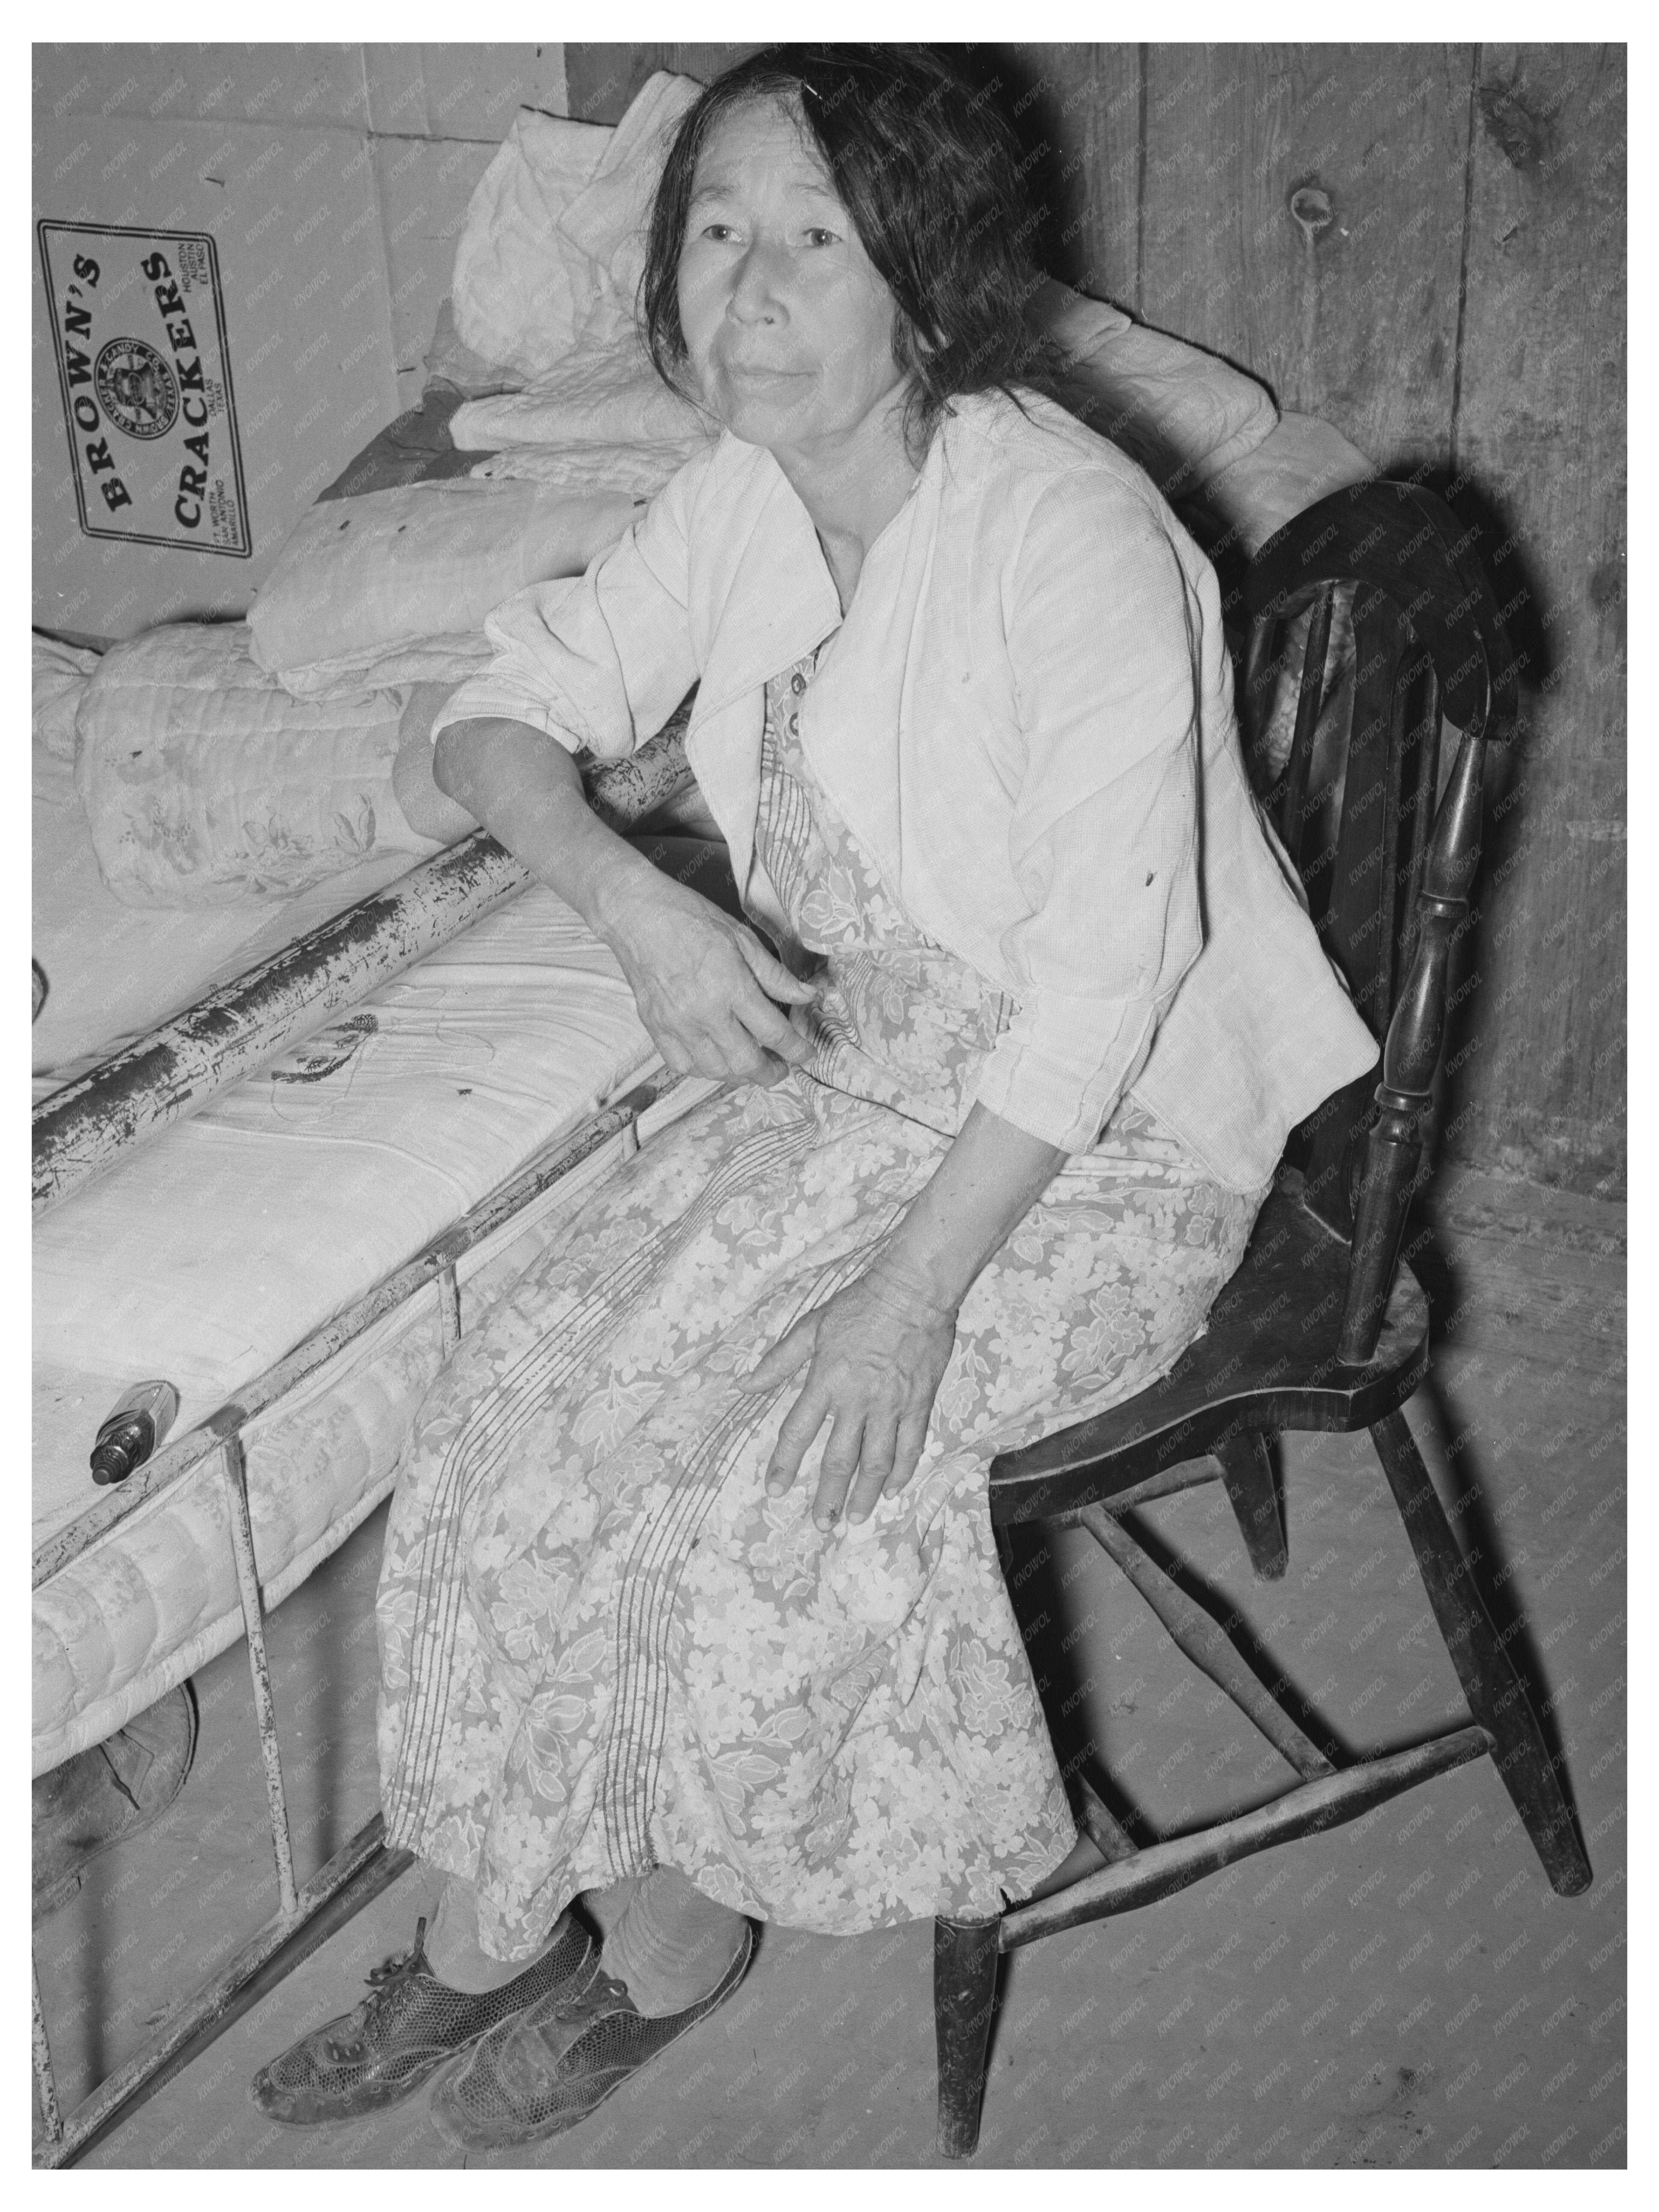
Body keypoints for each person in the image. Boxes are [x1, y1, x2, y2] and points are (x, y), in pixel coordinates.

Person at [252, 45, 1377, 2149]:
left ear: (919, 286)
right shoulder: (737, 501)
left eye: (812, 241)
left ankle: (684, 1935)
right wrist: (637, 912)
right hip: (849, 1078)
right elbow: (494, 713)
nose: (747, 291)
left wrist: (906, 1304)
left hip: (1093, 1148)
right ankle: (511, 1917)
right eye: (714, 235)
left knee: (755, 1478)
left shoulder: (1070, 540)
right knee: (521, 1386)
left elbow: (1102, 995)